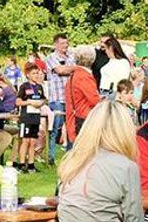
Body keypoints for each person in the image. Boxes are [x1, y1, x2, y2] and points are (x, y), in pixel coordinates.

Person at [44, 34, 79, 165]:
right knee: (54, 128)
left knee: (71, 128)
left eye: (66, 43)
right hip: (57, 98)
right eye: (63, 43)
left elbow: (68, 69)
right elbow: (60, 70)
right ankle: (51, 157)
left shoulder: (71, 56)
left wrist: (71, 69)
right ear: (56, 45)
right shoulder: (51, 58)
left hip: (71, 98)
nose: (66, 45)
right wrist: (75, 69)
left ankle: (70, 155)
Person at [65, 47, 102, 142]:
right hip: (85, 118)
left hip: (77, 116)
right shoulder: (84, 76)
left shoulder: (74, 74)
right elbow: (94, 100)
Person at [15, 63, 47, 173]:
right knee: (25, 141)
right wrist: (29, 102)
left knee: (33, 141)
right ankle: (21, 164)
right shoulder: (24, 86)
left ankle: (31, 165)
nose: (37, 75)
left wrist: (41, 103)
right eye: (34, 73)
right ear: (28, 75)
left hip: (36, 117)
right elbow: (18, 101)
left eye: (37, 73)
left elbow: (44, 99)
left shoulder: (39, 87)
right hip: (26, 117)